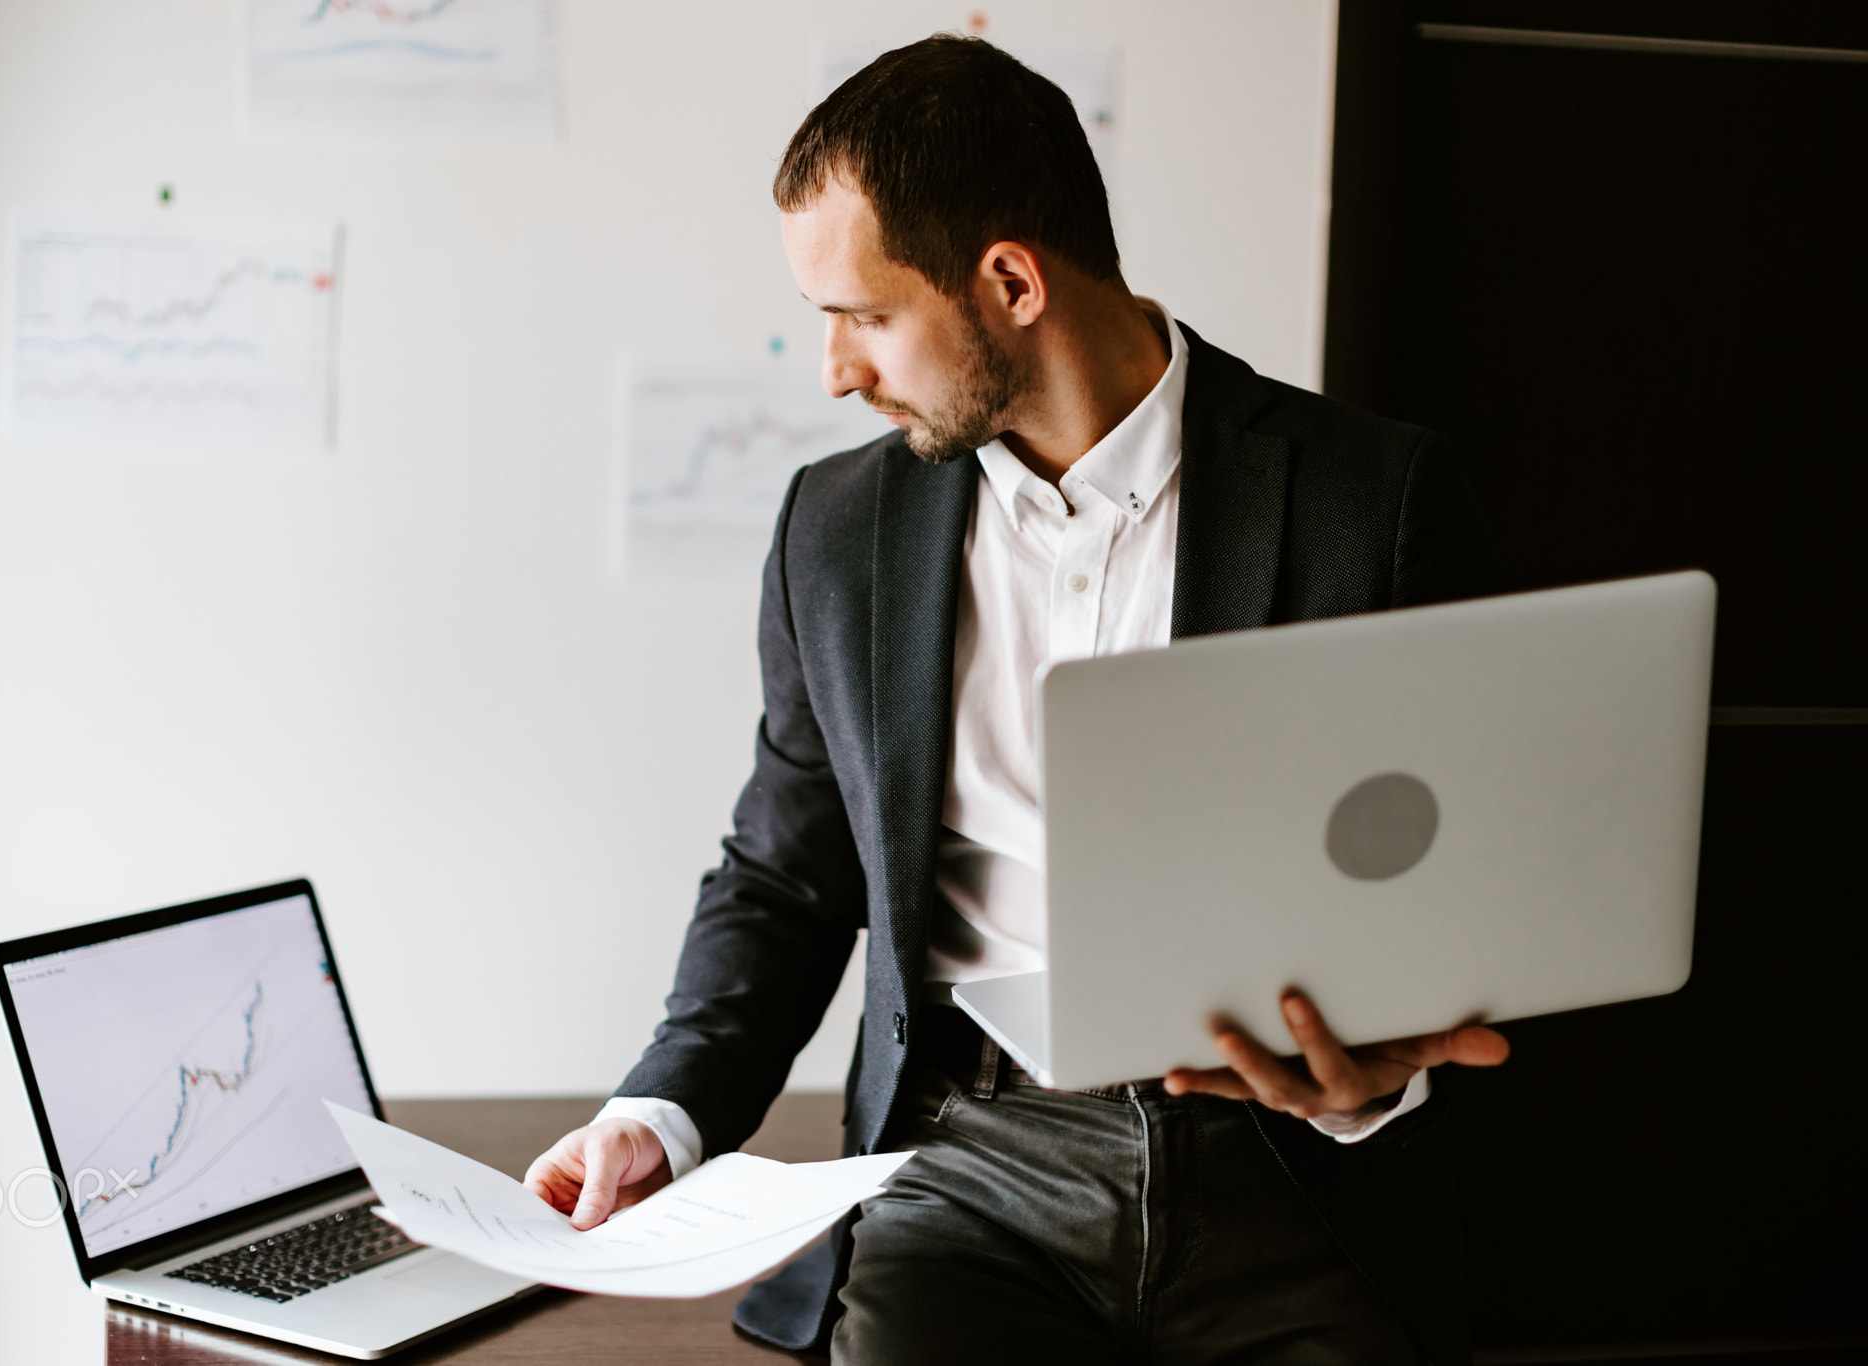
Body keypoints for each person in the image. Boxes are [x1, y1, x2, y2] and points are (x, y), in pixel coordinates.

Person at [527, 34, 1510, 1364]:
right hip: (964, 1171)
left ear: (1009, 281)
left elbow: (1464, 883)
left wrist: (1377, 1084)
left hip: (1287, 1178)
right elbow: (786, 870)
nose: (835, 370)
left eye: (865, 316)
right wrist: (662, 1107)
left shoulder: (1370, 500)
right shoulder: (835, 528)